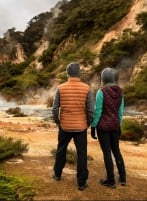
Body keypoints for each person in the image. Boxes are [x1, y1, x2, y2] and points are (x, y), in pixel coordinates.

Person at [52, 62, 94, 191]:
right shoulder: (87, 88)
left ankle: (57, 174)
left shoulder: (60, 88)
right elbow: (91, 110)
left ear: (67, 73)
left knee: (61, 150)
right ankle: (81, 183)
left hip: (65, 126)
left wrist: (58, 122)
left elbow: (55, 108)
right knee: (82, 154)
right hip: (81, 127)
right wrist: (88, 123)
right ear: (79, 73)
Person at [91, 67, 126, 188]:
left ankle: (110, 180)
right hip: (115, 126)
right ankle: (122, 178)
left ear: (103, 78)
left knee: (107, 153)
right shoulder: (120, 91)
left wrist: (93, 126)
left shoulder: (101, 92)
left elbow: (98, 111)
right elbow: (120, 112)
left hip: (103, 127)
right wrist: (118, 124)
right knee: (116, 151)